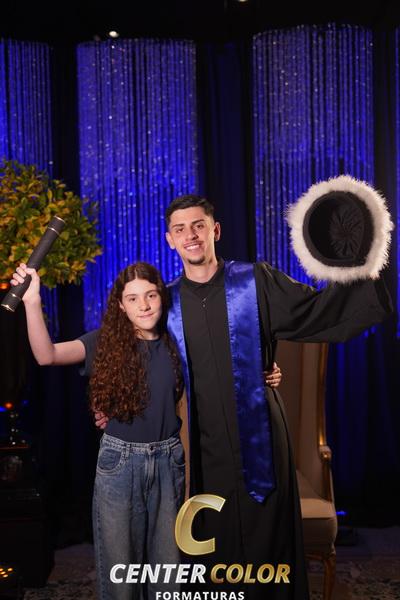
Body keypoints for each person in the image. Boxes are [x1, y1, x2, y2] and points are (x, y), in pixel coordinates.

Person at [96, 187, 392, 600]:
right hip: (206, 447)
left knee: (268, 542)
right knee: (214, 546)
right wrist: (109, 403)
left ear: (215, 230)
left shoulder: (255, 282)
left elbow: (313, 312)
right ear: (170, 239)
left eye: (198, 226)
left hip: (262, 438)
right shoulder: (167, 302)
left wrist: (361, 265)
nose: (190, 235)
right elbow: (136, 357)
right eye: (180, 229)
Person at [11, 261, 189, 600]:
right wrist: (32, 302)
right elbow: (47, 355)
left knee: (168, 573)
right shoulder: (104, 343)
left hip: (168, 461)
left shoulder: (176, 342)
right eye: (133, 298)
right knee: (121, 575)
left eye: (151, 295)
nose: (144, 305)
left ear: (162, 298)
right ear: (120, 305)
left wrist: (269, 370)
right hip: (121, 464)